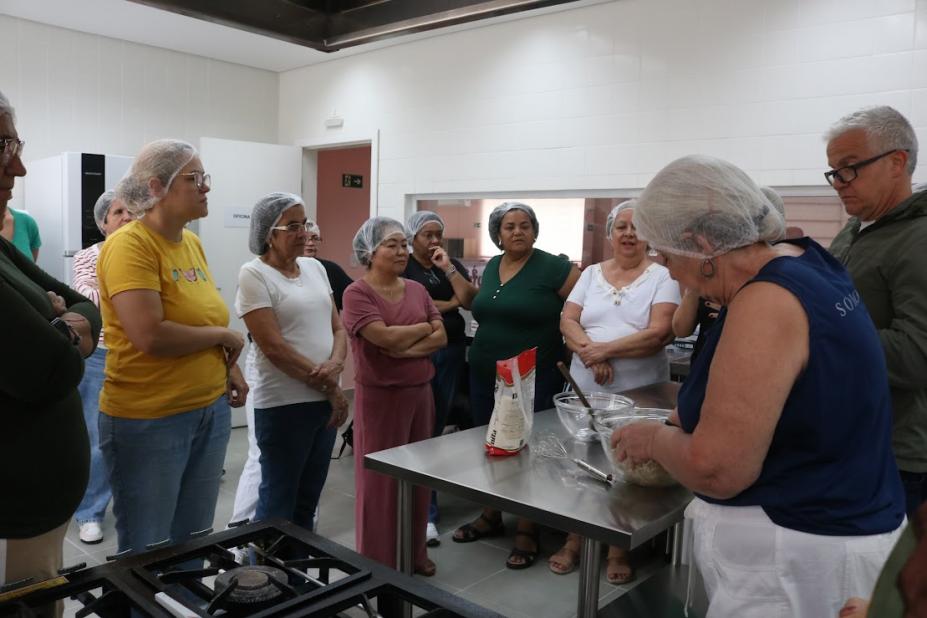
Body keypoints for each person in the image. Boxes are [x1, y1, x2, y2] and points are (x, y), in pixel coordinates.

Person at [613, 154, 904, 617]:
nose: (666, 271)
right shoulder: (807, 260)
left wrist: (654, 438)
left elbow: (718, 470)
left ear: (702, 244)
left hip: (801, 559)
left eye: (665, 256)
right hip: (834, 527)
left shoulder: (766, 302)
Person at [98, 139, 248, 556]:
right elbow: (150, 335)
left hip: (207, 409)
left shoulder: (191, 244)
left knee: (194, 541)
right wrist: (224, 337)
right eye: (194, 178)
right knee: (149, 549)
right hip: (150, 418)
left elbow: (201, 316)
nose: (206, 188)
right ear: (156, 186)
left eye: (205, 178)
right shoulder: (130, 245)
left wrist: (228, 368)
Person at [0, 89, 101, 618]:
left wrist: (59, 319)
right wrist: (63, 323)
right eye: (3, 146)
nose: (18, 166)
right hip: (13, 510)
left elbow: (87, 307)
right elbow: (52, 369)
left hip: (39, 507)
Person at [551, 199, 679, 583]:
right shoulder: (590, 273)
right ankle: (575, 538)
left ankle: (617, 548)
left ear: (649, 236)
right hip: (588, 386)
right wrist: (592, 357)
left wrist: (602, 350)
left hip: (638, 392)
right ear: (609, 234)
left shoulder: (663, 276)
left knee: (625, 467)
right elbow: (567, 320)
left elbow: (658, 334)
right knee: (582, 460)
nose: (628, 233)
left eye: (637, 227)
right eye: (621, 226)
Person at [452, 201, 580, 570]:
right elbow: (480, 306)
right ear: (498, 234)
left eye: (525, 225)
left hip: (531, 376)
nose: (518, 231)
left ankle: (528, 528)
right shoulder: (493, 266)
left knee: (528, 448)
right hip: (484, 373)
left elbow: (582, 305)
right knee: (490, 444)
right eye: (509, 226)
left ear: (535, 231)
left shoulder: (553, 267)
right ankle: (491, 513)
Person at [826, 106, 927, 518]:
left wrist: (817, 333)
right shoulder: (855, 228)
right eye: (833, 172)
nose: (838, 184)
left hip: (895, 452)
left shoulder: (918, 238)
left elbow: (917, 354)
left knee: (882, 578)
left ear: (896, 162)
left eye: (849, 168)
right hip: (849, 436)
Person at [235, 192, 349, 532]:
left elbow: (338, 327)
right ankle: (266, 576)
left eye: (306, 224)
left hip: (324, 399)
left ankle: (298, 571)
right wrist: (334, 390)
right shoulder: (254, 274)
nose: (304, 233)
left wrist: (337, 364)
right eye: (294, 226)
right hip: (284, 403)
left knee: (308, 499)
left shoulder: (315, 268)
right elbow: (275, 349)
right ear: (270, 233)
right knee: (278, 498)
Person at [341, 217, 446, 575]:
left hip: (420, 395)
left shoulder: (417, 289)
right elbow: (383, 339)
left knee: (418, 477)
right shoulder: (357, 293)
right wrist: (421, 330)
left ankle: (414, 552)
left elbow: (441, 337)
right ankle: (378, 562)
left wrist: (405, 344)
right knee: (380, 484)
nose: (402, 251)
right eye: (392, 245)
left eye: (404, 244)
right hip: (381, 401)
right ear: (370, 253)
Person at [403, 210, 477, 546]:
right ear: (412, 238)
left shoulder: (449, 264)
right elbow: (414, 306)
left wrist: (448, 268)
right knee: (421, 430)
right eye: (427, 235)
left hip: (450, 352)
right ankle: (422, 514)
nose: (434, 241)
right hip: (420, 351)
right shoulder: (404, 266)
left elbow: (469, 300)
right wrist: (446, 304)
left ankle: (425, 508)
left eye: (438, 235)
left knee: (435, 429)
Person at [70, 190, 133, 545]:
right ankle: (89, 512)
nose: (126, 217)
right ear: (102, 222)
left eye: (131, 211)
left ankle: (127, 504)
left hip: (141, 355)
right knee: (97, 439)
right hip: (102, 355)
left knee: (134, 436)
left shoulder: (148, 253)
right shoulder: (87, 256)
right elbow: (87, 296)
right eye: (117, 212)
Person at [302, 221, 353, 311]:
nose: (310, 243)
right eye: (304, 238)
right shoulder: (285, 271)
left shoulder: (331, 270)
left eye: (315, 238)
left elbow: (355, 298)